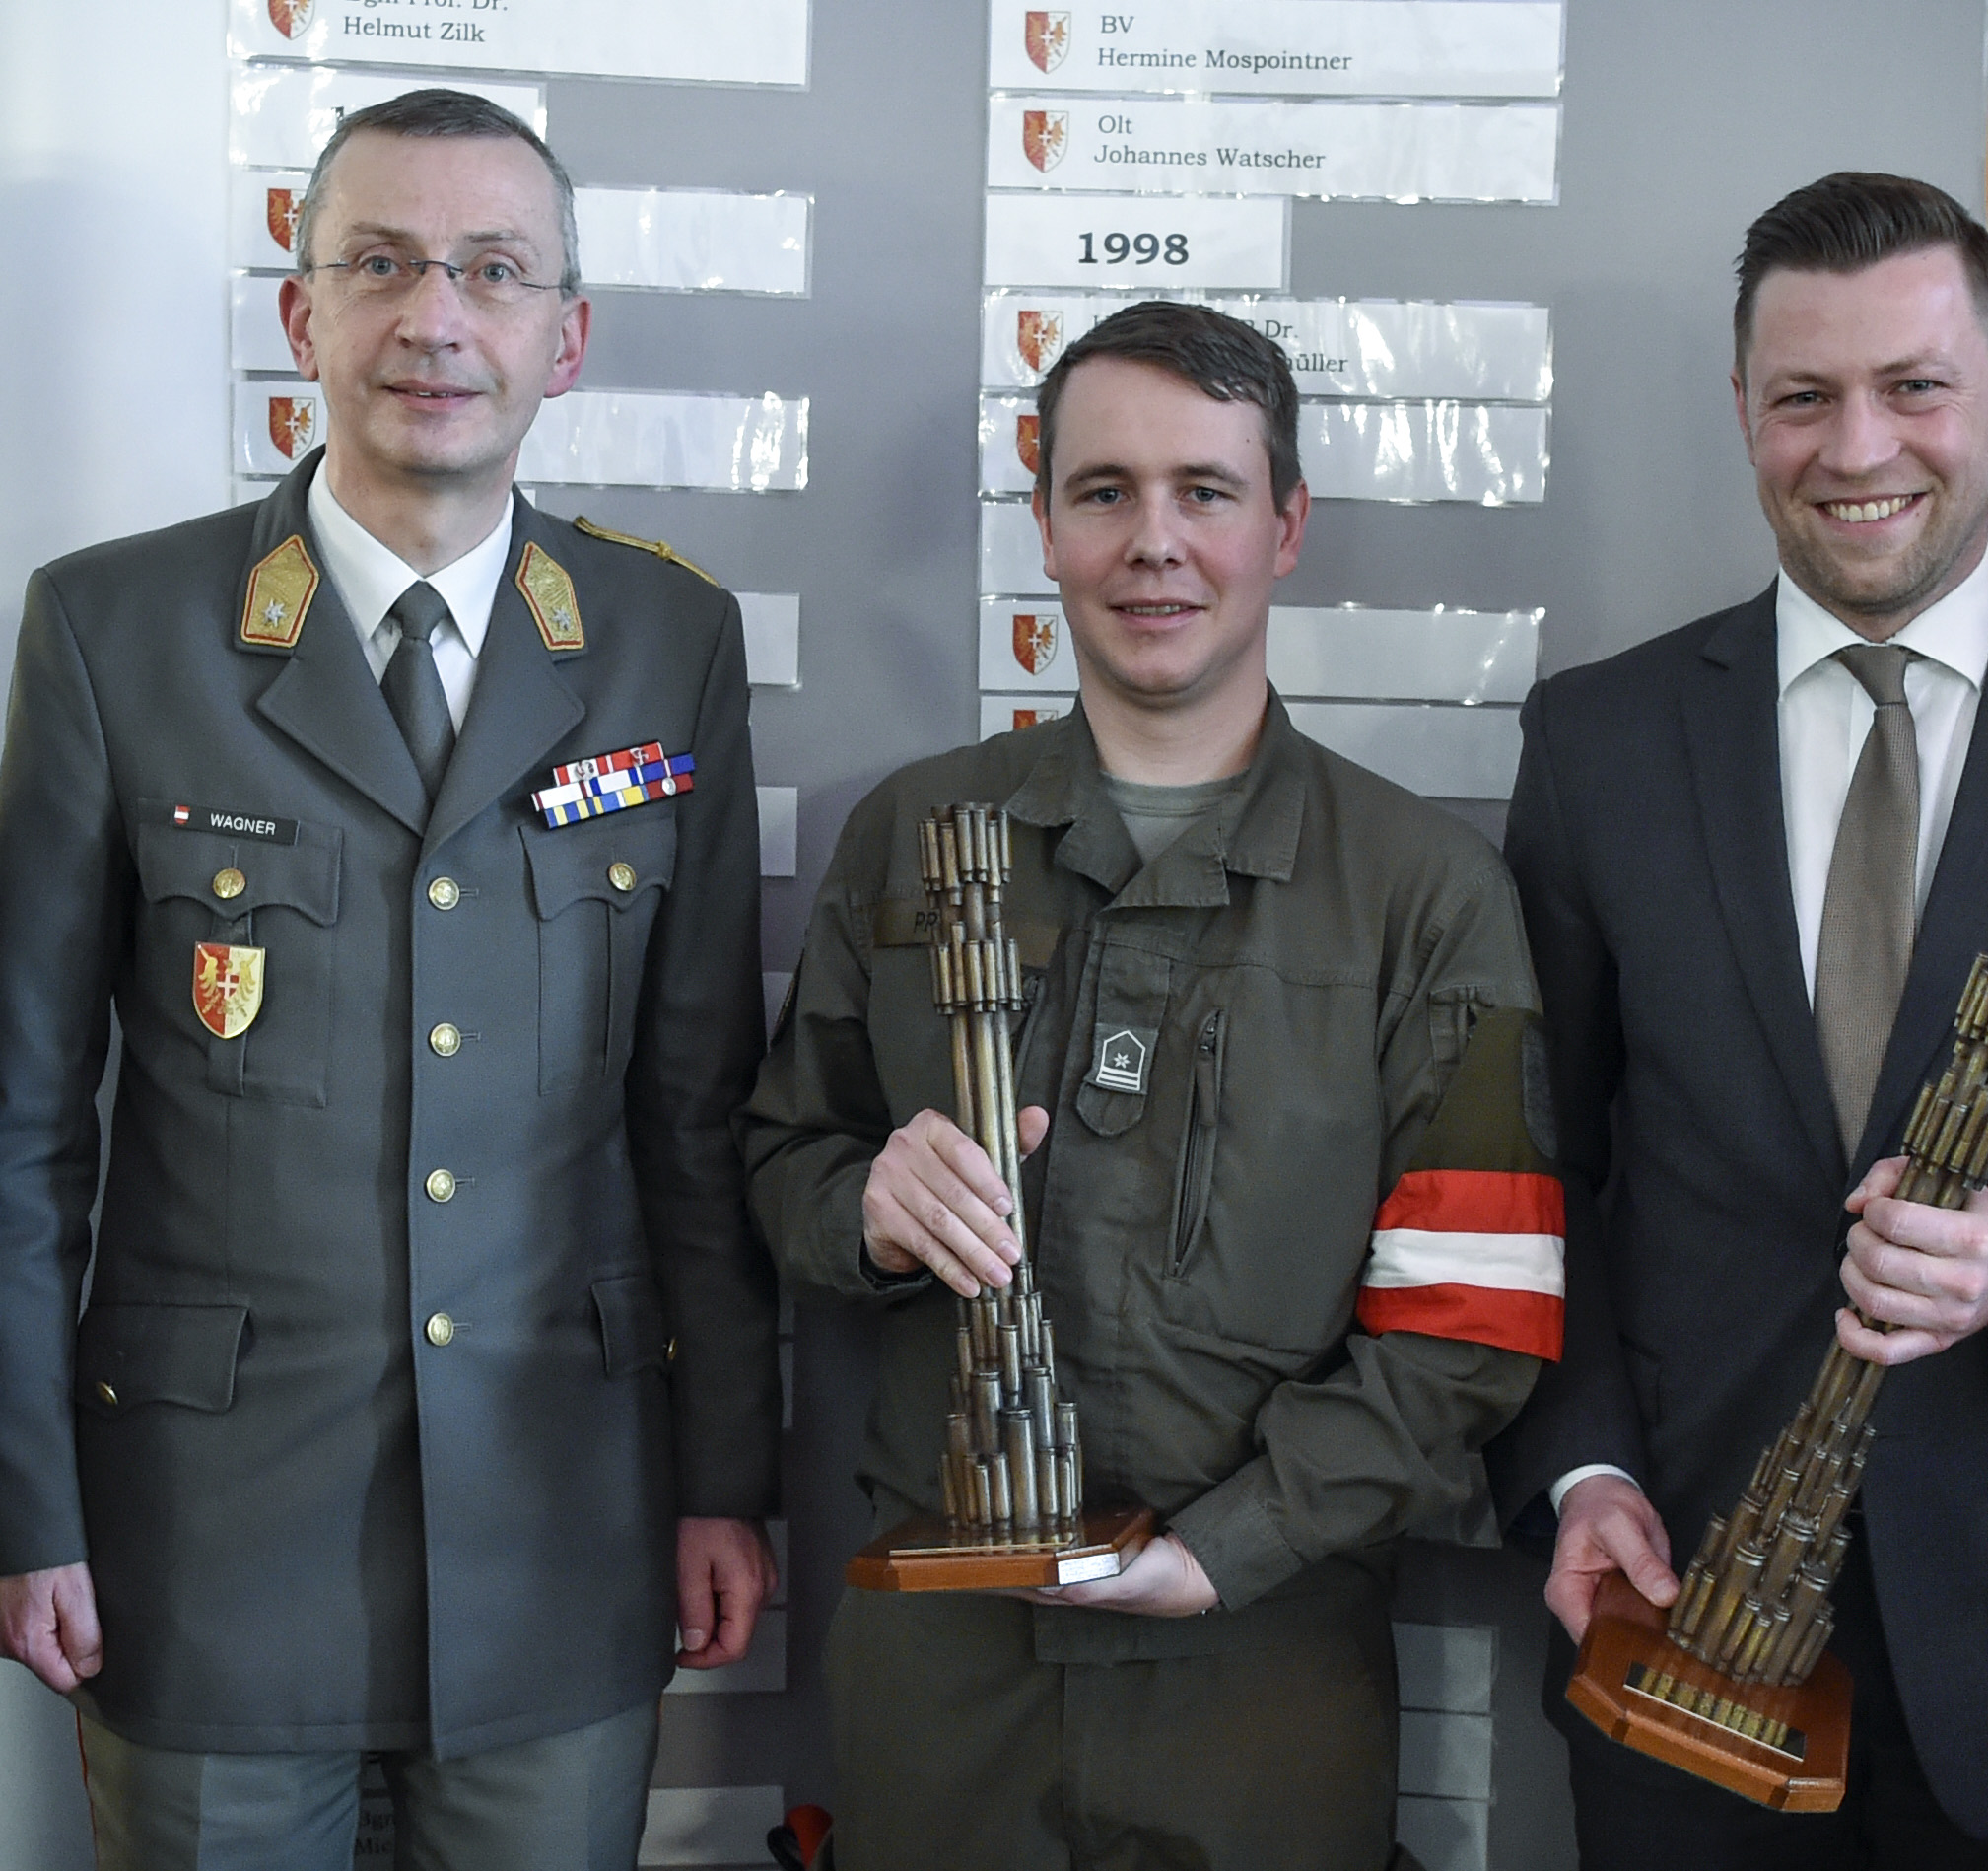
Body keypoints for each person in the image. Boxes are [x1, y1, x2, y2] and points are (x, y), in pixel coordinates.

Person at [0, 90, 779, 1870]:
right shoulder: (115, 632)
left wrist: (725, 1474)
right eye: (381, 264)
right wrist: (24, 1497)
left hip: (560, 1532)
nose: (436, 316)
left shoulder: (668, 644)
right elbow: (24, 1119)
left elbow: (697, 1113)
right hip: (203, 1549)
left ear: (566, 337)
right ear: (303, 316)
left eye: (493, 270)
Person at [742, 301, 1560, 1870]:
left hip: (1267, 1665)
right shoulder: (912, 838)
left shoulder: (1425, 893)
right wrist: (869, 1211)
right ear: (1045, 527)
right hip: (943, 1665)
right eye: (1104, 491)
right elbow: (787, 1156)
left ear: (1287, 525)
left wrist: (1230, 1544)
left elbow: (1473, 1319)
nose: (1153, 542)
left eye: (1206, 491)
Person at [1487, 170, 1988, 1868]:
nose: (1858, 447)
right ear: (1743, 410)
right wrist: (1584, 1470)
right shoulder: (1599, 744)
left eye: (1914, 386)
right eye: (1805, 396)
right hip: (1679, 1623)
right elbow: (1539, 1175)